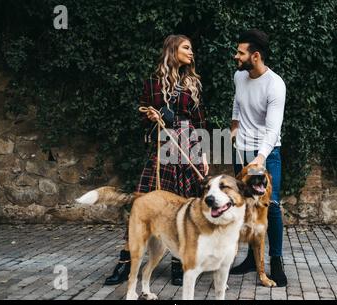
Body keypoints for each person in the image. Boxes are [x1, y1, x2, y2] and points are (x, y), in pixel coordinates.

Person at [104, 34, 209, 287]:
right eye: (186, 47)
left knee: (183, 208)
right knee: (142, 205)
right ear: (172, 50)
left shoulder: (193, 82)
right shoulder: (153, 82)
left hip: (188, 147)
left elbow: (200, 120)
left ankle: (180, 265)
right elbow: (142, 111)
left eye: (191, 48)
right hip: (162, 148)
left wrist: (203, 153)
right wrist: (151, 115)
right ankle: (126, 262)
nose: (191, 52)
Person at [229, 29, 287, 287]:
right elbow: (237, 104)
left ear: (255, 56)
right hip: (241, 152)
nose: (236, 56)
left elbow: (273, 129)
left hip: (267, 153)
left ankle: (276, 261)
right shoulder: (239, 76)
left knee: (270, 206)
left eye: (240, 52)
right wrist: (233, 127)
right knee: (244, 206)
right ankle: (252, 260)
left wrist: (260, 159)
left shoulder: (275, 84)